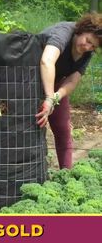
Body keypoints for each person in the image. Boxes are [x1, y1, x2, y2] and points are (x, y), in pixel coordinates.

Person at [35, 13, 102, 169]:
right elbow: (47, 61)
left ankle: (67, 173)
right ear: (81, 30)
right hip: (29, 80)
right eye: (88, 41)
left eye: (93, 46)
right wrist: (49, 97)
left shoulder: (86, 53)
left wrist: (55, 97)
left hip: (56, 85)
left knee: (63, 131)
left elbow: (73, 80)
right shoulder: (63, 32)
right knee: (32, 126)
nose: (87, 47)